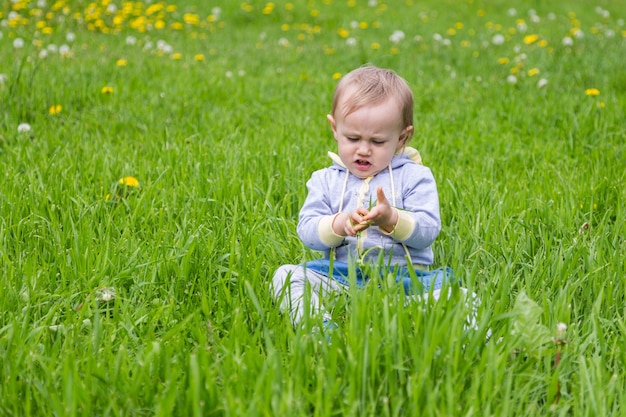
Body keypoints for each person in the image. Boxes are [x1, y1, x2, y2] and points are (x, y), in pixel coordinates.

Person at [271, 65, 462, 329]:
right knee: (285, 277)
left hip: (406, 282)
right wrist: (339, 224)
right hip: (339, 277)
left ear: (402, 137)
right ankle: (320, 329)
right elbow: (307, 230)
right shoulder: (325, 180)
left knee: (459, 295)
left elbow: (428, 230)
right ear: (335, 128)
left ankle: (480, 344)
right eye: (352, 138)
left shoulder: (415, 176)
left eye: (378, 141)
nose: (363, 150)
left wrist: (392, 219)